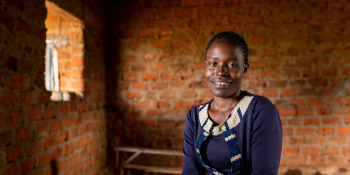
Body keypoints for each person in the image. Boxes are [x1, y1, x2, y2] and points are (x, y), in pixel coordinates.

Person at [182, 31, 283, 175]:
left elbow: (264, 173)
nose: (221, 71)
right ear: (205, 66)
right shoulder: (195, 117)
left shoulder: (260, 111)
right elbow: (190, 172)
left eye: (232, 64)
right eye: (213, 63)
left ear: (244, 69)